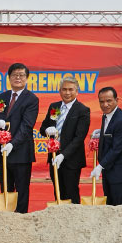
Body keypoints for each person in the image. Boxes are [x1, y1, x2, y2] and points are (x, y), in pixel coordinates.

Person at [0, 62, 38, 213]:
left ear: (26, 78)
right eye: (14, 75)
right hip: (3, 152)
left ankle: (21, 217)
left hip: (21, 152)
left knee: (22, 189)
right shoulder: (2, 97)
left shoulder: (31, 99)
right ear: (9, 78)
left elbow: (26, 126)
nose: (18, 78)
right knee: (6, 187)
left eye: (21, 75)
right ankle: (7, 216)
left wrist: (12, 144)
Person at [39, 76, 91, 204]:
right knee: (58, 192)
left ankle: (74, 215)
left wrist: (63, 155)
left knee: (71, 193)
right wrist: (47, 130)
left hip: (71, 160)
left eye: (71, 89)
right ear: (60, 91)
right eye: (64, 89)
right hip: (54, 157)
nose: (67, 93)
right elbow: (43, 128)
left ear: (77, 91)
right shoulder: (54, 107)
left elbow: (79, 137)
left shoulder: (82, 110)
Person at [91, 86, 122, 206]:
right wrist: (102, 134)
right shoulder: (106, 116)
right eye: (102, 101)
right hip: (109, 172)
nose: (105, 105)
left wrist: (100, 166)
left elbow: (116, 149)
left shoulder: (121, 121)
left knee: (119, 209)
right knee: (109, 207)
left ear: (116, 100)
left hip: (120, 174)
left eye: (109, 101)